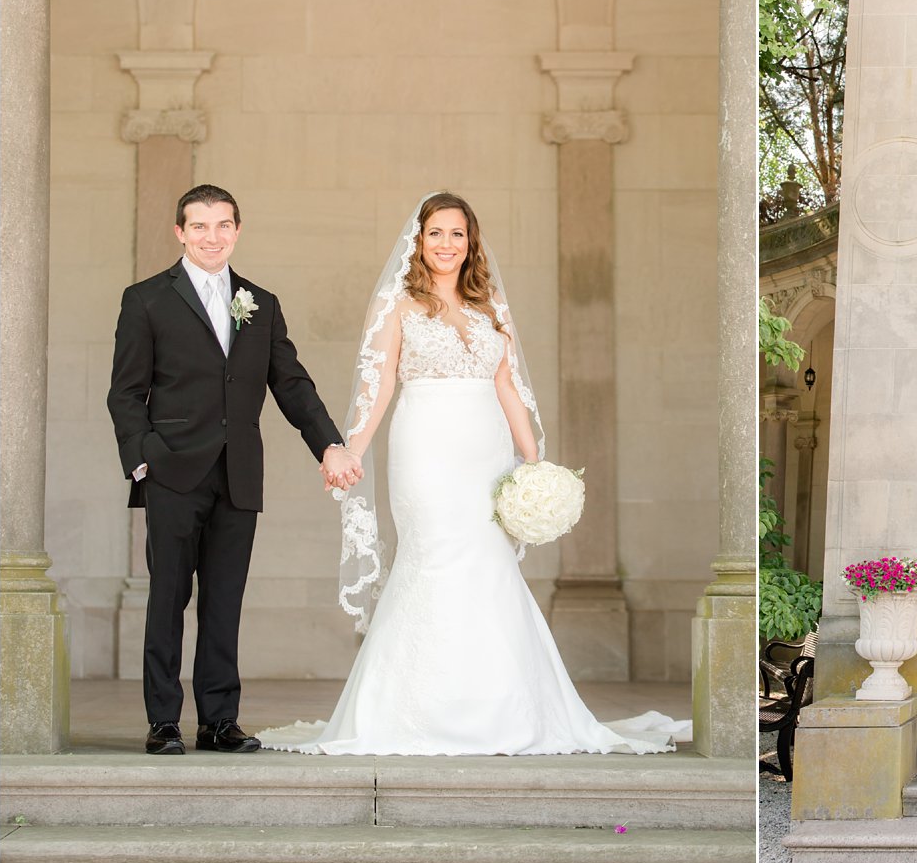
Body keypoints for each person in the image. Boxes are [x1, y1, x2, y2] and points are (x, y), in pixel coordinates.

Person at [259, 192, 683, 756]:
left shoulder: (491, 306)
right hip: (425, 448)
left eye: (457, 234)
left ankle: (499, 710)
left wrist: (535, 463)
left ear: (471, 242)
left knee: (488, 564)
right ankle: (415, 712)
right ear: (419, 239)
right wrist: (351, 447)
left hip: (487, 451)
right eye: (436, 233)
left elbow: (508, 385)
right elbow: (379, 382)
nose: (446, 244)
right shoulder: (398, 304)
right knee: (433, 556)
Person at [107, 184, 362, 756]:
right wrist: (142, 459)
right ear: (179, 232)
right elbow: (125, 393)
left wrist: (329, 445)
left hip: (239, 474)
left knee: (224, 601)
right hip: (172, 472)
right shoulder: (146, 299)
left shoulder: (260, 303)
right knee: (167, 598)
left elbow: (291, 383)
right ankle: (164, 721)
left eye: (223, 225)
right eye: (199, 226)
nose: (212, 237)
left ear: (237, 230)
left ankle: (219, 721)